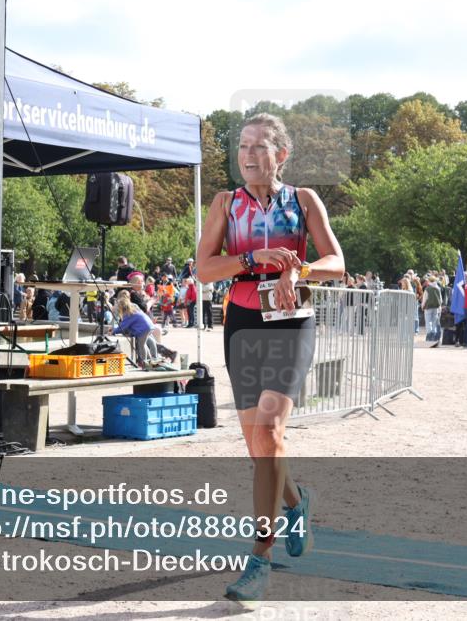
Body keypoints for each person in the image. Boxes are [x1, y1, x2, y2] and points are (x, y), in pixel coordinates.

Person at [195, 112, 345, 602]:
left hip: (290, 323)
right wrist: (250, 260)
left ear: (281, 155)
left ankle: (259, 559)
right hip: (241, 323)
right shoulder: (225, 203)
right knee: (259, 447)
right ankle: (298, 504)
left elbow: (337, 263)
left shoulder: (304, 201)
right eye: (242, 146)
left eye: (260, 146)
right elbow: (203, 270)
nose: (249, 156)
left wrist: (298, 272)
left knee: (270, 432)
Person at [422, 275, 443, 346]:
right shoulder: (438, 288)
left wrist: (422, 306)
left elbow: (425, 299)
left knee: (428, 321)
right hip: (436, 307)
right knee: (434, 322)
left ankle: (429, 336)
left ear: (429, 281)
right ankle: (434, 337)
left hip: (428, 307)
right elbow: (440, 299)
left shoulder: (427, 289)